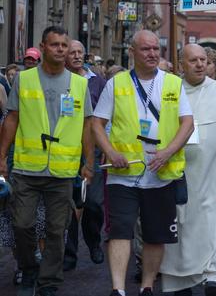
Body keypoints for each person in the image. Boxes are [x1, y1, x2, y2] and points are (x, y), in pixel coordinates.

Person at [92, 30, 194, 296]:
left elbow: (188, 124)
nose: (152, 54)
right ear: (132, 52)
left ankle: (147, 285)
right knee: (120, 231)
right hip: (122, 173)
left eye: (155, 49)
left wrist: (168, 152)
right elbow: (97, 123)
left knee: (155, 235)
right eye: (146, 49)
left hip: (160, 172)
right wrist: (111, 152)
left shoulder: (173, 83)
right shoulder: (116, 83)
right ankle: (118, 289)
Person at [0, 26, 95, 296]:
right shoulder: (25, 79)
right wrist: (1, 158)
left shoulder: (79, 84)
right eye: (55, 45)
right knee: (21, 224)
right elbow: (12, 119)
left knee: (56, 230)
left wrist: (89, 163)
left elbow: (87, 125)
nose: (61, 50)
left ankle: (49, 282)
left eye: (64, 45)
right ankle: (29, 268)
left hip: (63, 172)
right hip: (27, 168)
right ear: (43, 47)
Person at [161, 44, 216, 296]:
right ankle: (181, 279)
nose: (199, 64)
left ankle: (213, 275)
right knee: (182, 225)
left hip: (212, 172)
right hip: (178, 172)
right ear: (181, 64)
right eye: (193, 60)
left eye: (203, 60)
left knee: (214, 222)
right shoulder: (170, 92)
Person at [63, 40, 108, 271]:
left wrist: (106, 147)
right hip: (66, 148)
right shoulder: (60, 80)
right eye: (73, 52)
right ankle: (69, 254)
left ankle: (93, 243)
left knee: (93, 203)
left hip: (95, 148)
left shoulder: (98, 82)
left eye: (80, 52)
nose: (77, 56)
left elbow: (108, 116)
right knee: (69, 203)